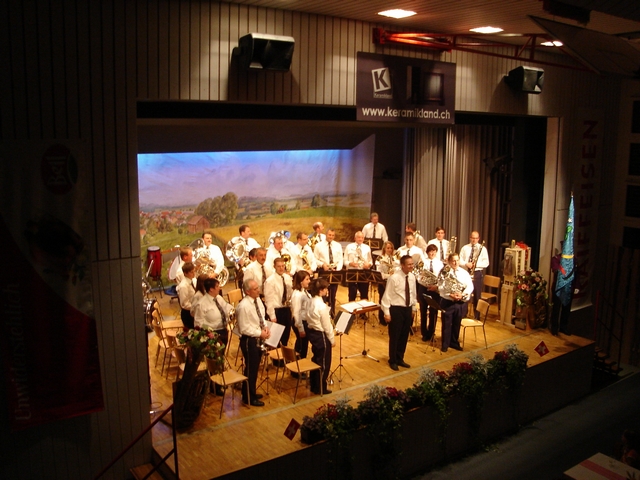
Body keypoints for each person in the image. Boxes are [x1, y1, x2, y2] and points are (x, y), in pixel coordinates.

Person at [235, 279, 271, 407]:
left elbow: (262, 315)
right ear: (247, 291)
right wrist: (260, 333)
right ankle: (248, 397)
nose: (258, 290)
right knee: (251, 369)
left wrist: (265, 327)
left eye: (257, 288)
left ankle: (251, 392)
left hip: (258, 337)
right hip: (249, 340)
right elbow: (244, 328)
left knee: (255, 368)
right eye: (255, 289)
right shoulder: (243, 306)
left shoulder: (258, 300)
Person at [381, 255, 417, 371]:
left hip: (407, 309)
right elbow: (387, 296)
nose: (411, 266)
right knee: (395, 336)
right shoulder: (394, 278)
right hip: (396, 309)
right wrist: (387, 313)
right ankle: (392, 360)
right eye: (409, 264)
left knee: (404, 335)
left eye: (412, 264)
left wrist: (413, 308)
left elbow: (413, 294)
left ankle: (400, 358)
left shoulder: (412, 277)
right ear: (402, 265)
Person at [437, 253, 474, 352]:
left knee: (457, 323)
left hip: (460, 302)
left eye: (457, 260)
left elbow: (470, 286)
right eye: (453, 260)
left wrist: (462, 295)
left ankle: (454, 342)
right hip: (448, 301)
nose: (456, 262)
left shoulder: (464, 273)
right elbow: (440, 286)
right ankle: (445, 344)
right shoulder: (444, 272)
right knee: (446, 324)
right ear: (449, 262)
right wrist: (450, 294)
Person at [306, 278, 335, 394]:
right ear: (320, 290)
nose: (327, 290)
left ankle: (314, 385)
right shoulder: (321, 306)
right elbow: (326, 326)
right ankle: (320, 387)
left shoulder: (310, 301)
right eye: (326, 288)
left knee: (316, 359)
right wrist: (332, 339)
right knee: (323, 363)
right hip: (321, 335)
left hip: (313, 333)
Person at [191, 277, 233, 349]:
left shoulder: (219, 298)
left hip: (224, 330)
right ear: (211, 289)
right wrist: (207, 336)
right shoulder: (201, 304)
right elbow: (198, 324)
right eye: (217, 286)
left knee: (223, 352)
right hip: (212, 334)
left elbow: (227, 307)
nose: (219, 288)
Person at [313, 228, 343, 317]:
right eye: (329, 235)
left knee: (333, 294)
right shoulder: (318, 246)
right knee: (323, 294)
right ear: (326, 234)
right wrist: (322, 265)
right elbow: (314, 259)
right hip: (324, 271)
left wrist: (338, 269)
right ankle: (323, 314)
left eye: (333, 235)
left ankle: (332, 313)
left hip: (335, 272)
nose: (331, 237)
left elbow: (341, 259)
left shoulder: (338, 245)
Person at [459, 231, 489, 318]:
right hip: (466, 272)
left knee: (477, 295)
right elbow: (459, 260)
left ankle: (477, 316)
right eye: (473, 238)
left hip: (477, 273)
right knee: (465, 293)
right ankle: (464, 314)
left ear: (478, 239)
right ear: (470, 238)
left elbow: (486, 263)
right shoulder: (465, 248)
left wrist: (475, 265)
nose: (474, 240)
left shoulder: (483, 249)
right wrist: (466, 264)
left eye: (476, 238)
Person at [263, 257, 293, 346]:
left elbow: (290, 293)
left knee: (286, 335)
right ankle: (277, 354)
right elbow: (269, 300)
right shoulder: (270, 281)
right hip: (277, 311)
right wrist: (272, 316)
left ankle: (284, 352)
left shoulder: (287, 278)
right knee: (276, 338)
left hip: (286, 309)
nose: (281, 268)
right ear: (274, 267)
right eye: (279, 266)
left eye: (283, 266)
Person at [421, 244, 444, 342]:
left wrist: (436, 286)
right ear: (427, 252)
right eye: (431, 251)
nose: (432, 253)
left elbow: (441, 277)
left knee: (433, 312)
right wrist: (425, 283)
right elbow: (419, 275)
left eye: (434, 251)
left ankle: (431, 333)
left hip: (434, 290)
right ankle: (424, 333)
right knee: (423, 311)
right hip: (424, 288)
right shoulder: (423, 261)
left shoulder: (440, 263)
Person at [345, 231, 373, 302]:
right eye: (359, 237)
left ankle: (363, 309)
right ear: (355, 238)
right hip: (352, 272)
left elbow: (370, 261)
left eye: (362, 238)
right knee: (352, 295)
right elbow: (344, 261)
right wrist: (350, 263)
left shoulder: (367, 247)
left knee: (364, 295)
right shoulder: (349, 247)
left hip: (364, 273)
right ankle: (352, 308)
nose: (360, 239)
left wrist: (368, 265)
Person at [291, 270, 312, 359]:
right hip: (300, 322)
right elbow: (296, 313)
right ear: (301, 281)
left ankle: (298, 363)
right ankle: (298, 364)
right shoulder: (298, 295)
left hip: (304, 321)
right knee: (301, 346)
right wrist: (301, 329)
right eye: (307, 279)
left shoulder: (303, 291)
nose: (309, 281)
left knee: (302, 344)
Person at [375, 241, 396, 325]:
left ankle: (390, 317)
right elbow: (379, 273)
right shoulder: (380, 258)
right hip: (383, 282)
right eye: (388, 248)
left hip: (392, 282)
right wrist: (388, 275)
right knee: (382, 299)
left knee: (391, 300)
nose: (390, 250)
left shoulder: (394, 258)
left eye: (391, 248)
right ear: (384, 248)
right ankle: (382, 319)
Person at [176, 261, 197, 329]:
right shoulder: (183, 286)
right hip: (188, 314)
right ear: (185, 273)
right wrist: (196, 307)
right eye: (191, 272)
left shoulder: (193, 281)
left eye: (194, 271)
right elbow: (184, 304)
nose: (194, 273)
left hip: (193, 311)